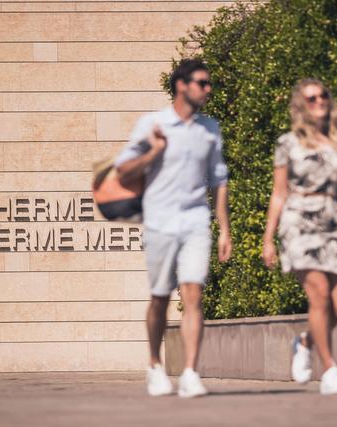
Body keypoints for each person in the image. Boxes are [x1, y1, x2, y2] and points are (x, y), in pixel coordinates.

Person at [114, 59, 232, 398]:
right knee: (160, 297)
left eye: (209, 83)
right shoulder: (153, 124)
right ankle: (155, 365)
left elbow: (219, 180)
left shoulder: (210, 128)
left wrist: (224, 229)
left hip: (195, 221)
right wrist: (154, 152)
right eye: (202, 83)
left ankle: (191, 372)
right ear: (182, 85)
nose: (208, 89)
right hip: (160, 222)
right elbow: (123, 170)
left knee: (193, 293)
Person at [262, 78, 337, 395]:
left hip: (334, 222)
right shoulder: (288, 143)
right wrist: (268, 238)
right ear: (300, 106)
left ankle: (304, 341)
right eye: (311, 98)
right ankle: (330, 370)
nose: (319, 101)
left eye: (323, 96)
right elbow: (279, 193)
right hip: (298, 222)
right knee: (318, 294)